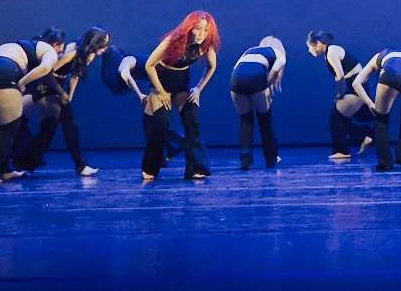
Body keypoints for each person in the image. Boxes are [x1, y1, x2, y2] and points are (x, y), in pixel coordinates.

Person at [15, 27, 111, 177]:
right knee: (63, 127)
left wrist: (69, 95)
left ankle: (22, 162)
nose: (105, 48)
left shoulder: (89, 55)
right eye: (103, 44)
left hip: (58, 87)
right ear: (94, 42)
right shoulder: (72, 53)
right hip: (47, 85)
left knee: (52, 128)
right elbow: (47, 72)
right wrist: (61, 92)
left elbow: (75, 75)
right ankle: (79, 165)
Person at [0, 34, 62, 184]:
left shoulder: (14, 47)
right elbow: (46, 68)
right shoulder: (49, 50)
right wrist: (21, 83)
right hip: (2, 73)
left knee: (5, 127)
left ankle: (5, 170)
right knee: (9, 129)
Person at [144, 11, 219, 180]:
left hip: (181, 82)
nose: (201, 34)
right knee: (161, 123)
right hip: (161, 80)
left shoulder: (205, 46)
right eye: (198, 28)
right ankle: (150, 167)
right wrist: (161, 91)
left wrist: (198, 89)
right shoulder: (172, 41)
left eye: (205, 30)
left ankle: (195, 168)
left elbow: (212, 66)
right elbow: (149, 65)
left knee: (192, 119)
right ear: (189, 28)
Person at [100, 44, 182, 177]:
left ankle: (177, 142)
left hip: (161, 78)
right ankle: (165, 151)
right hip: (157, 78)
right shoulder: (129, 59)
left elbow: (126, 75)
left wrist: (140, 95)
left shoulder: (125, 61)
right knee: (148, 120)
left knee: (155, 122)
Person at [349, 47, 401, 171]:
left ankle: (385, 162)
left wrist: (370, 104)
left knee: (381, 121)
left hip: (390, 74)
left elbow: (356, 83)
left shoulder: (377, 57)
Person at [304, 31, 376, 161]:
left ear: (318, 43)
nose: (309, 50)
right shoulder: (330, 52)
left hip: (355, 86)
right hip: (354, 85)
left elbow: (340, 75)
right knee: (342, 118)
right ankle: (363, 137)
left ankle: (343, 151)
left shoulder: (331, 51)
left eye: (310, 47)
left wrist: (339, 93)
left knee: (335, 117)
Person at [229, 35, 287, 169]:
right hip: (255, 79)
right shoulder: (279, 55)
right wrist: (265, 88)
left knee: (246, 119)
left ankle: (245, 158)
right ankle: (271, 159)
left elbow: (237, 69)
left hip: (235, 80)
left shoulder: (249, 51)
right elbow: (273, 74)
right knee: (265, 120)